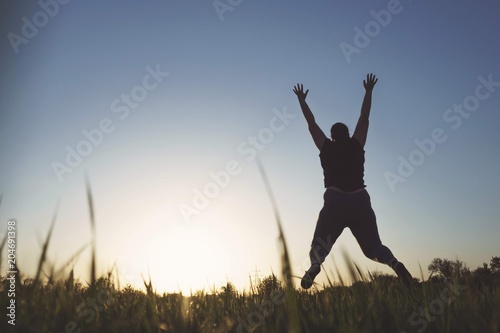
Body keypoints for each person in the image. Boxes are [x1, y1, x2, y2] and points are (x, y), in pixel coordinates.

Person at [293, 74, 413, 289]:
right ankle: (394, 263)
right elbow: (364, 117)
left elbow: (311, 124)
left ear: (331, 135)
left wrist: (302, 100)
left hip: (334, 201)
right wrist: (368, 92)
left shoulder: (326, 147)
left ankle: (314, 266)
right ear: (348, 133)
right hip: (359, 201)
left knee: (320, 245)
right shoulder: (357, 144)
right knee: (373, 248)